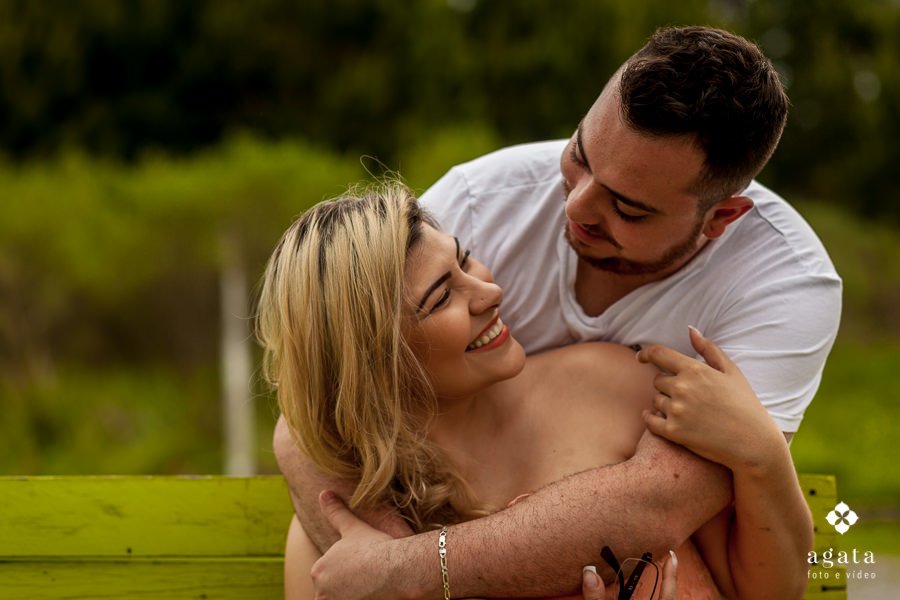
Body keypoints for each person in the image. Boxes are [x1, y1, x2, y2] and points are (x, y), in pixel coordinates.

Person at [275, 25, 842, 599]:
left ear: (719, 219)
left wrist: (406, 571)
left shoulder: (776, 289)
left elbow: (666, 509)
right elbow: (316, 394)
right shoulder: (479, 201)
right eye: (579, 156)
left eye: (628, 208)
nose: (574, 207)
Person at [258, 182, 813, 600]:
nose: (489, 292)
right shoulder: (348, 522)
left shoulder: (612, 384)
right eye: (441, 297)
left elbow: (763, 587)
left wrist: (764, 454)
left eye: (464, 259)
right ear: (373, 362)